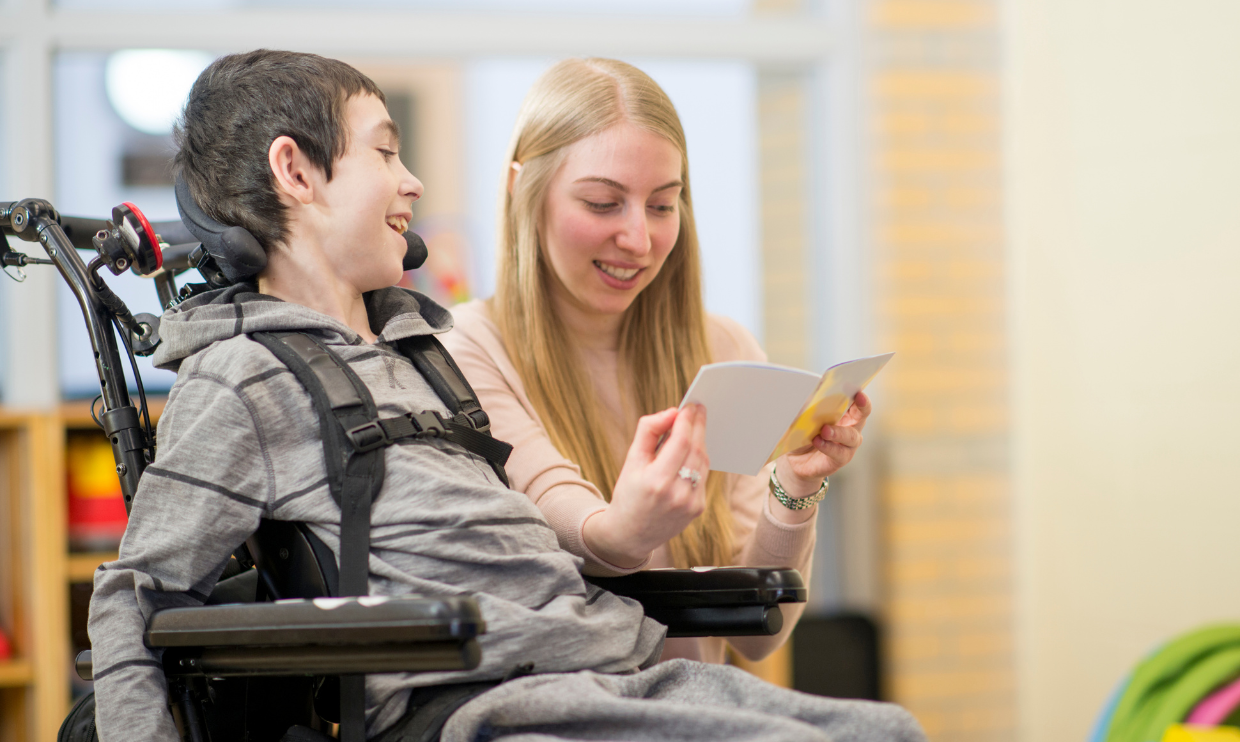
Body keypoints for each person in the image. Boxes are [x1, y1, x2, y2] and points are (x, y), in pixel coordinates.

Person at [87, 50, 923, 741]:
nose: (413, 182)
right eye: (386, 153)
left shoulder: (421, 349)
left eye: (663, 205)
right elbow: (138, 595)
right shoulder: (247, 376)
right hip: (495, 692)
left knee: (890, 733)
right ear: (295, 171)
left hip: (609, 663)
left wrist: (792, 486)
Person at [442, 57, 872, 665]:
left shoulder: (724, 351)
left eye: (663, 205)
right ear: (522, 188)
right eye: (601, 203)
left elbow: (757, 634)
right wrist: (626, 530)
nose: (639, 240)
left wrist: (795, 484)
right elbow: (557, 498)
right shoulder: (465, 348)